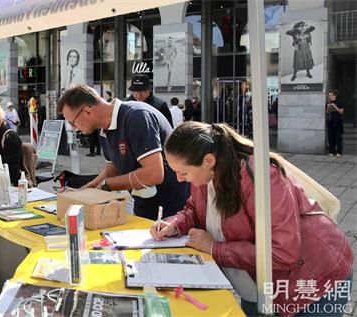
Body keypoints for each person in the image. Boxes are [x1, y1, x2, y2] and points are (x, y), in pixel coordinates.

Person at [150, 121, 353, 317]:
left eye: (183, 172)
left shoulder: (261, 177)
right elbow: (195, 210)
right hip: (257, 285)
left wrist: (214, 249)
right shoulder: (206, 173)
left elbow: (282, 252)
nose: (179, 179)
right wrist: (174, 224)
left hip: (313, 283)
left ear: (208, 160)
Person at [58, 84, 188, 220]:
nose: (73, 128)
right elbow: (114, 167)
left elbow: (154, 174)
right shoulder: (104, 129)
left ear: (87, 111)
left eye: (72, 122)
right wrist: (85, 190)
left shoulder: (137, 116)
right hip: (145, 200)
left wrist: (107, 185)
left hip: (174, 203)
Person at [326, 89, 344, 157]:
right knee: (331, 137)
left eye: (331, 95)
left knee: (338, 138)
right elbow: (327, 113)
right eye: (329, 95)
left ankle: (339, 152)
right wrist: (327, 108)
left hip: (338, 122)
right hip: (330, 122)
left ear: (335, 95)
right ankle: (331, 151)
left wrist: (335, 107)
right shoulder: (328, 103)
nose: (330, 97)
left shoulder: (339, 102)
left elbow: (341, 112)